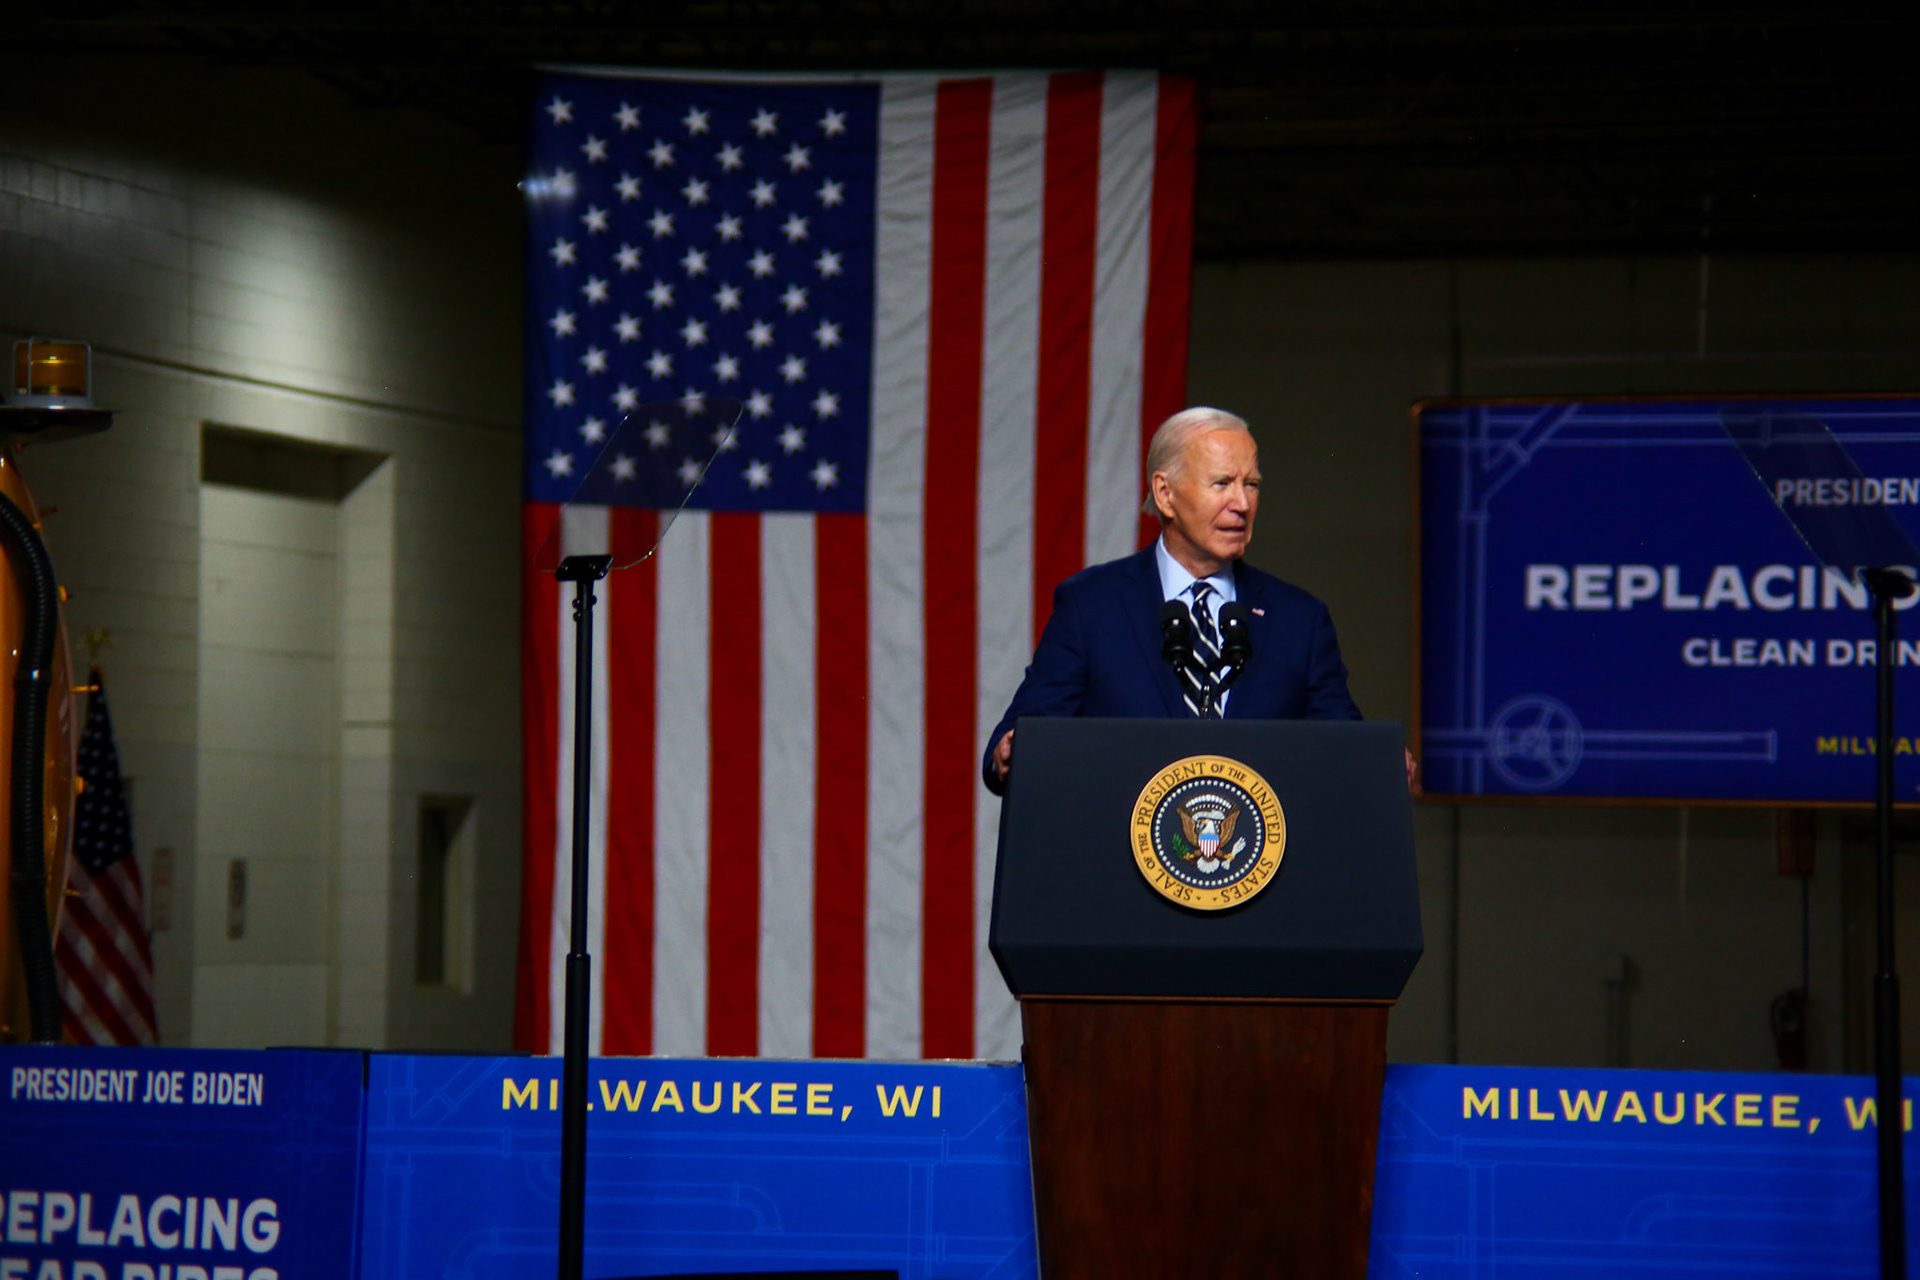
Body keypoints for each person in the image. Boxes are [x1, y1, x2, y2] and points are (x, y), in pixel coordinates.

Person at [982, 405, 1411, 794]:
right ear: (1165, 493)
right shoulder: (1092, 605)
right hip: (1119, 862)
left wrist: (1377, 764)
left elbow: (1343, 747)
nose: (1242, 504)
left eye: (1252, 484)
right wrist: (1011, 752)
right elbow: (1023, 738)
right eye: (1222, 483)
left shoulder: (1299, 619)